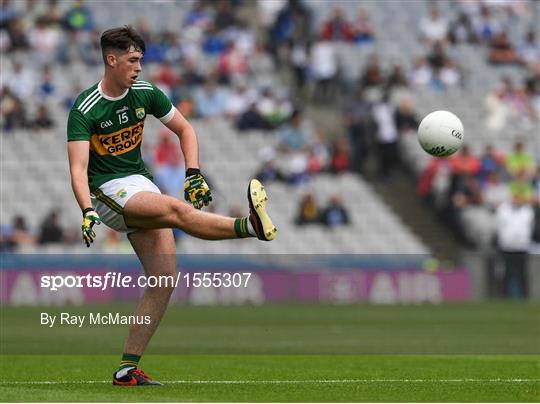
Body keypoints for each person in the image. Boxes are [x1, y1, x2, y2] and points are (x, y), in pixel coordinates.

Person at [66, 26, 276, 386]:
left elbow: (186, 129)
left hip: (139, 184)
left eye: (141, 61)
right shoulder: (86, 108)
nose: (138, 68)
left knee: (163, 280)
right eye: (132, 61)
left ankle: (126, 370)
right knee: (177, 211)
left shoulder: (146, 93)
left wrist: (193, 173)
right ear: (111, 60)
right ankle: (248, 227)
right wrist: (86, 209)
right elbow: (78, 168)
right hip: (108, 193)